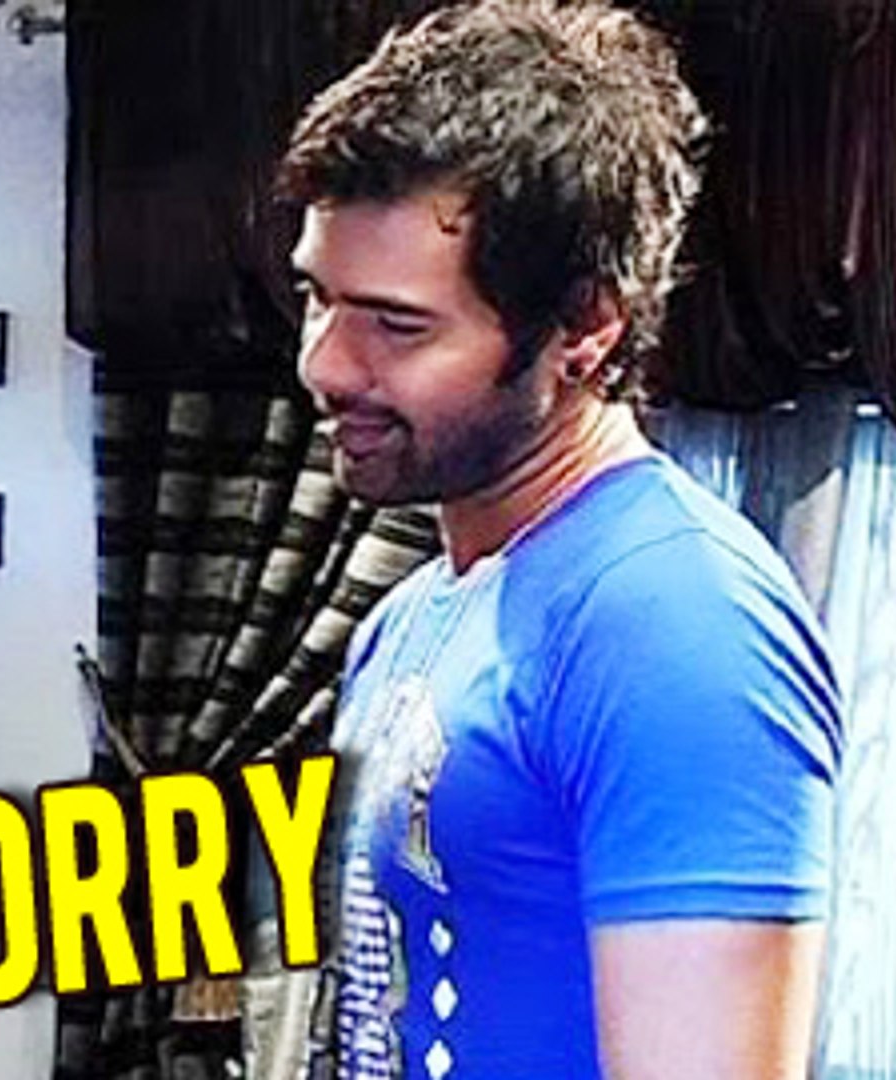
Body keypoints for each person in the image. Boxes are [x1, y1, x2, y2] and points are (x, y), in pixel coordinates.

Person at [276, 1, 843, 1077]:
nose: (327, 365)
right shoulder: (409, 616)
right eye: (318, 298)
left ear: (585, 328)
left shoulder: (678, 623)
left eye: (397, 324)